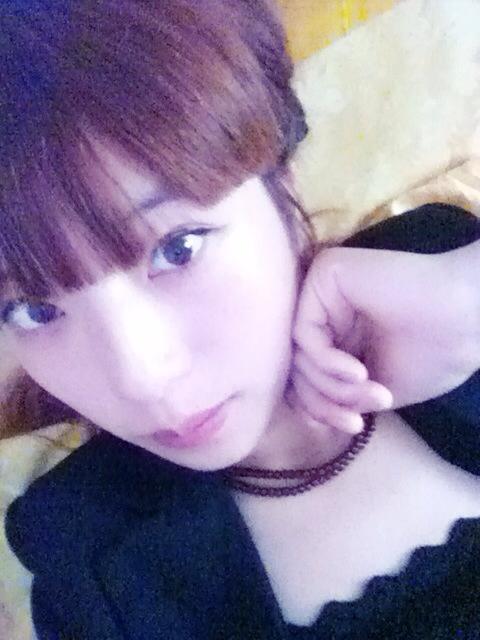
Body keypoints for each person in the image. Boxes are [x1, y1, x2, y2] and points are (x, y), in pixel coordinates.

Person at [1, 1, 479, 638]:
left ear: (281, 181)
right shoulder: (92, 572)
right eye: (33, 310)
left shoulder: (432, 263)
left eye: (178, 249)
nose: (142, 379)